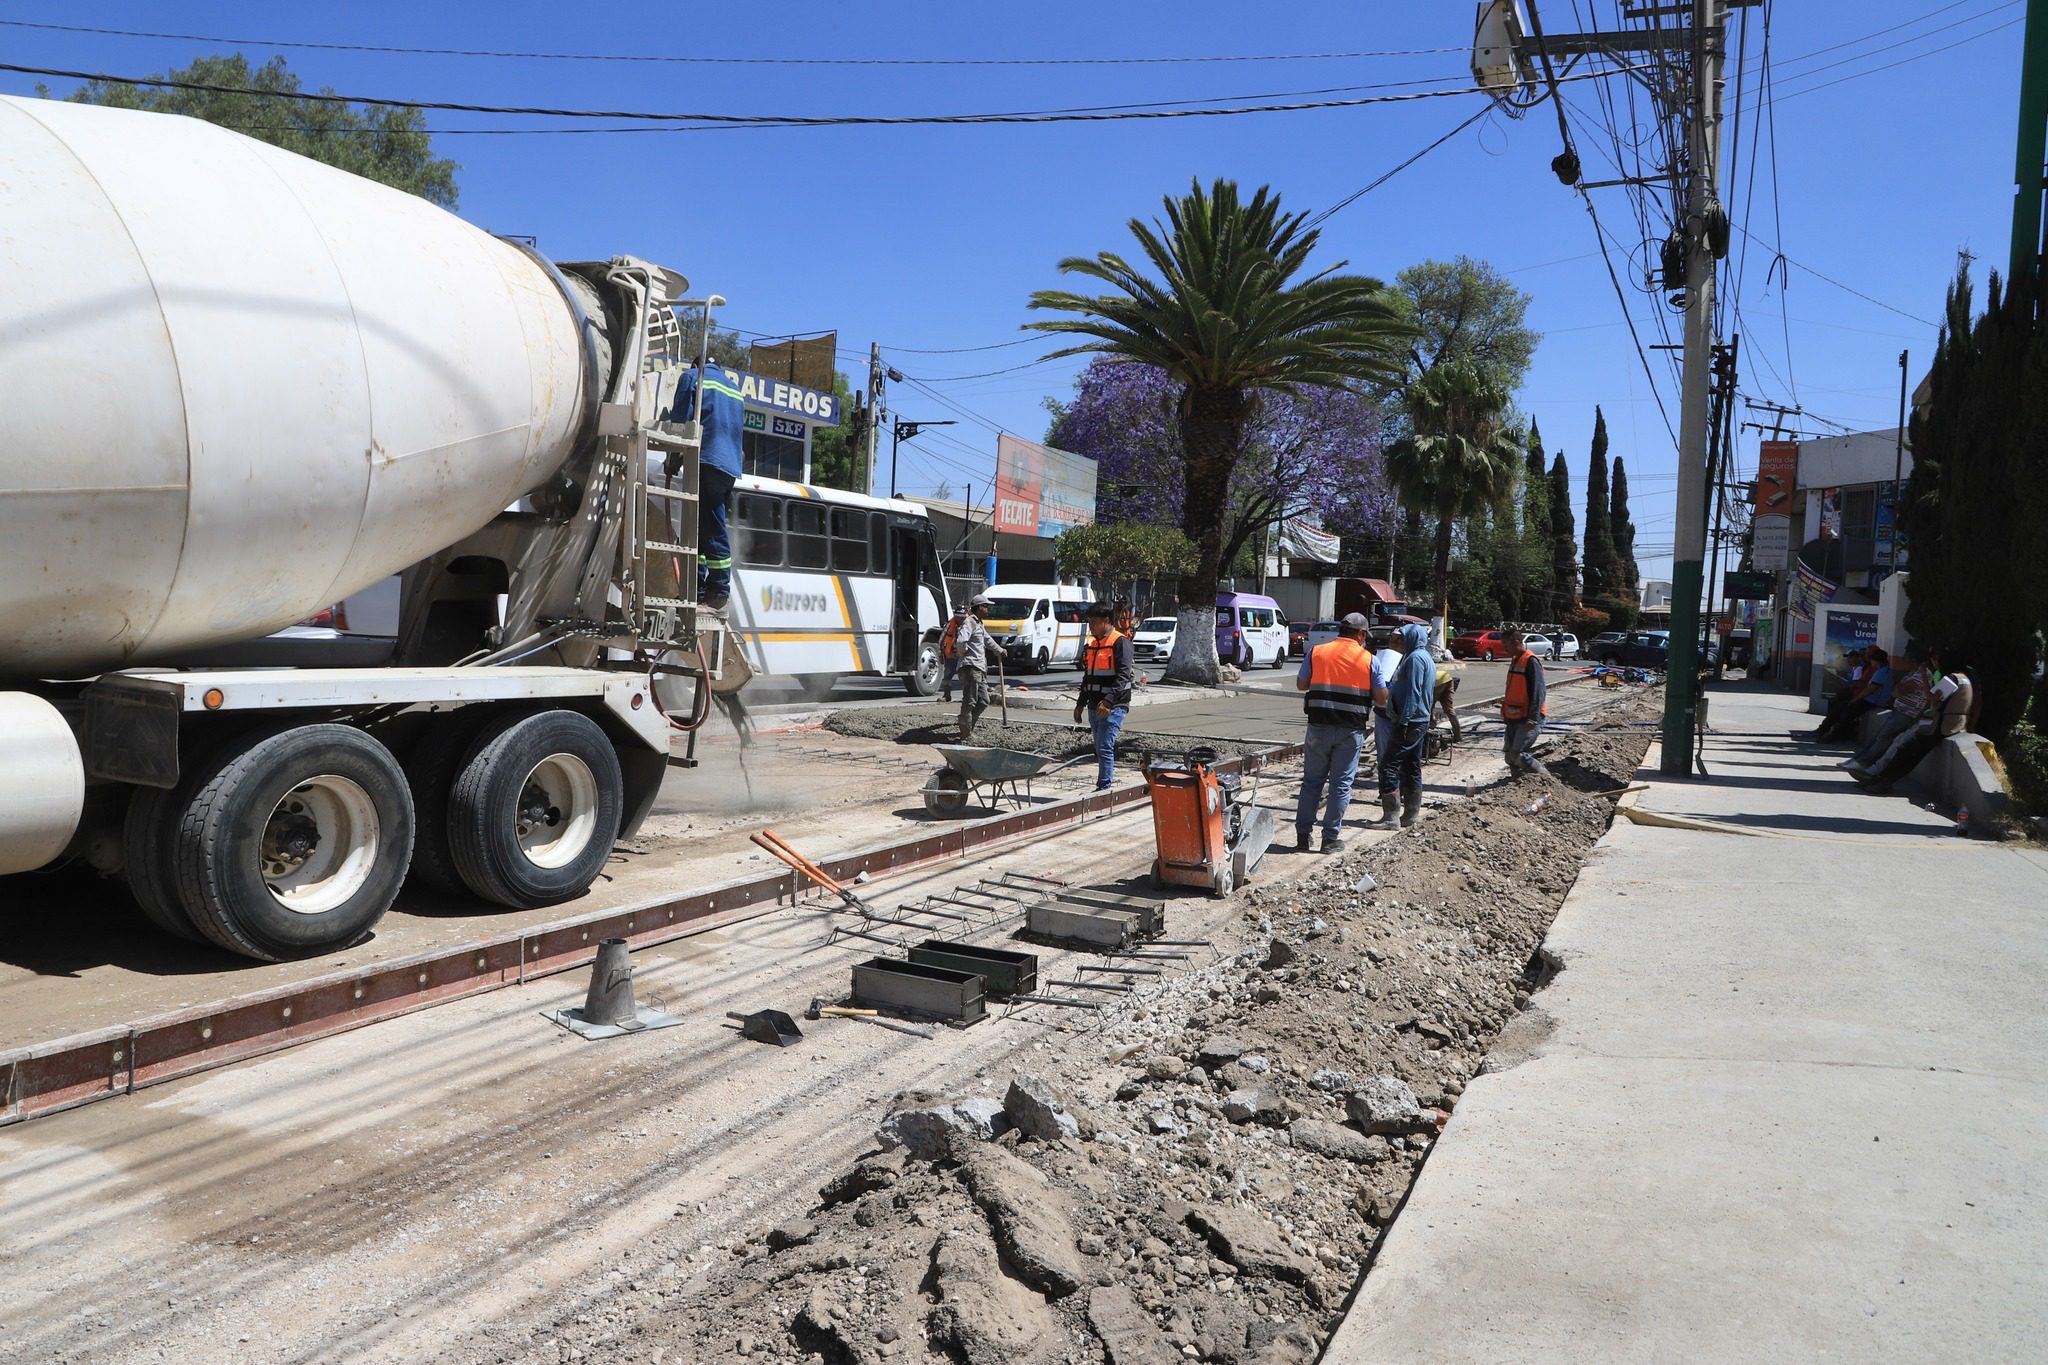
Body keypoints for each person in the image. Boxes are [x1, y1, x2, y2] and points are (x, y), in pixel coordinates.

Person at [1293, 612, 1375, 853]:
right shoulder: (1369, 659)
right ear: (1360, 634)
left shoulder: (1317, 652)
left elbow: (1301, 684)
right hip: (1350, 730)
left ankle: (1302, 836)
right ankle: (1329, 839)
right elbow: (1381, 696)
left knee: (1311, 782)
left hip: (1318, 726)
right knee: (1340, 785)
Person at [669, 362, 747, 611]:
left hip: (707, 459)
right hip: (730, 465)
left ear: (696, 363)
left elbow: (679, 423)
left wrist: (672, 459)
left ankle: (720, 588)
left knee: (712, 526)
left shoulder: (692, 376)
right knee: (700, 526)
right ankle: (699, 587)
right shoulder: (734, 389)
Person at [1857, 656, 1973, 792]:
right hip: (1954, 724)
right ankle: (1880, 778)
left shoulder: (1951, 678)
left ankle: (1884, 781)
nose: (1935, 664)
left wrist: (1923, 676)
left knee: (1907, 751)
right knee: (1909, 750)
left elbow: (1932, 699)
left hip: (1941, 726)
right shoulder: (1964, 678)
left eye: (1937, 661)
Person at [1839, 644, 1930, 775]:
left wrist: (1898, 688)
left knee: (1883, 738)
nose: (1903, 661)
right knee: (1880, 737)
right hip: (1900, 711)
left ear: (1914, 660)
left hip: (1906, 714)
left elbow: (1898, 691)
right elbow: (1896, 690)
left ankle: (1863, 762)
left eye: (1906, 658)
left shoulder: (1921, 676)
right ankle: (1859, 760)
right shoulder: (1913, 673)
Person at [1075, 602, 1136, 791]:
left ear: (1106, 621)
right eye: (1089, 622)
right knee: (1099, 747)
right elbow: (1088, 678)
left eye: (1094, 622)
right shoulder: (1092, 645)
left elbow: (1123, 676)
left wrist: (1109, 701)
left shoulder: (1120, 642)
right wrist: (1080, 704)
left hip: (1114, 705)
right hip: (1094, 704)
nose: (1091, 626)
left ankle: (1104, 787)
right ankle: (1103, 785)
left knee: (1104, 746)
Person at [1384, 623, 1437, 829]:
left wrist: (1403, 720)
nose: (1401, 642)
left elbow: (1414, 692)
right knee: (1411, 765)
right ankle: (1411, 814)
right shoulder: (1425, 657)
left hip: (1411, 721)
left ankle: (1391, 817)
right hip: (1419, 720)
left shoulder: (1415, 659)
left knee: (1389, 765)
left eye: (1404, 638)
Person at [1498, 627, 1550, 779]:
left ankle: (1545, 779)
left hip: (1528, 718)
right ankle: (1518, 781)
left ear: (1515, 642)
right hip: (1514, 717)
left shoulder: (1530, 661)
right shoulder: (1515, 660)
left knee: (1517, 754)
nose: (1504, 648)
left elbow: (1538, 693)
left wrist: (1533, 718)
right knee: (1509, 756)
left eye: (1505, 644)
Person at [1813, 645, 1892, 742]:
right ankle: (1824, 730)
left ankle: (1833, 735)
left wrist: (1856, 699)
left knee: (1848, 712)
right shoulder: (1881, 670)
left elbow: (1870, 689)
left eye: (1871, 659)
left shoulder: (1881, 673)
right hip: (1870, 699)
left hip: (1873, 701)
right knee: (1841, 707)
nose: (1870, 661)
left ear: (1877, 661)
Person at [1368, 629, 1404, 825]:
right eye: (1392, 639)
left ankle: (1395, 806)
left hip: (1400, 717)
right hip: (1384, 715)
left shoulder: (1411, 661)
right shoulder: (1384, 658)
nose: (1394, 642)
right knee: (1384, 758)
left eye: (1398, 640)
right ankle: (1388, 796)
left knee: (1396, 760)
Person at [952, 594, 1002, 740]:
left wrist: (999, 650)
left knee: (984, 700)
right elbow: (961, 641)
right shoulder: (969, 622)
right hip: (970, 667)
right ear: (979, 607)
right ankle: (965, 733)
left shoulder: (978, 623)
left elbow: (987, 640)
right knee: (970, 701)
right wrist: (963, 653)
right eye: (986, 606)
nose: (988, 609)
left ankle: (967, 728)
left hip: (979, 668)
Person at [1431, 639, 1463, 743]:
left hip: (1437, 682)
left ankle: (1431, 734)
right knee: (1449, 709)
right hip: (1447, 679)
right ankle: (1457, 736)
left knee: (1429, 707)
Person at [939, 601, 968, 703]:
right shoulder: (949, 624)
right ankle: (946, 695)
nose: (960, 618)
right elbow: (942, 638)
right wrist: (940, 652)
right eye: (958, 616)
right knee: (947, 675)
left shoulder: (969, 625)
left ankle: (966, 697)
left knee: (965, 676)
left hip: (964, 655)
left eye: (962, 616)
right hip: (951, 655)